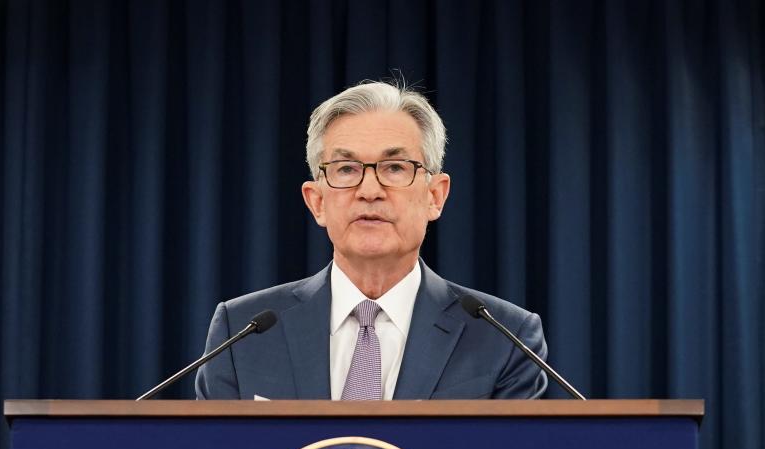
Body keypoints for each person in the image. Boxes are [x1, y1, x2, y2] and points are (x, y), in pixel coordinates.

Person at [194, 80, 548, 401]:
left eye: (395, 167)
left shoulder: (505, 337)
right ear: (316, 201)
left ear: (435, 196)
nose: (369, 190)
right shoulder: (241, 331)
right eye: (346, 169)